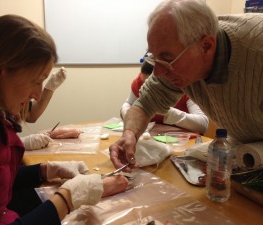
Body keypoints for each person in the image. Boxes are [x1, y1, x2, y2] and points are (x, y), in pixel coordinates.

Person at [0, 14, 128, 225]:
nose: (37, 95)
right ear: (1, 71)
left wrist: (44, 170)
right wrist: (68, 199)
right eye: (35, 81)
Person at [109, 0, 263, 171]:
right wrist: (130, 134)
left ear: (206, 47)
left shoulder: (257, 51)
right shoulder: (184, 51)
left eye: (167, 58)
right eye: (154, 56)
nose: (158, 72)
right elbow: (144, 104)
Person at [120, 60, 208, 134]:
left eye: (150, 85)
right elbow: (128, 103)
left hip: (181, 140)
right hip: (153, 136)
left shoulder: (186, 86)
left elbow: (203, 124)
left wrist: (167, 112)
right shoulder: (140, 82)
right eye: (143, 83)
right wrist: (127, 114)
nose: (145, 88)